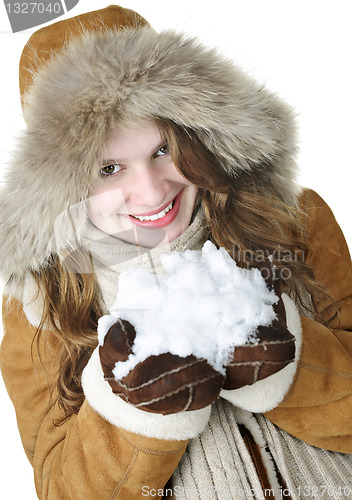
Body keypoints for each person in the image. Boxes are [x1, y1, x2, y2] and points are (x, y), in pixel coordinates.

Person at [0, 5, 351, 499]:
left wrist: (293, 368)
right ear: (61, 188)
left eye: (162, 150)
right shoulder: (40, 307)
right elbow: (61, 490)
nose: (150, 192)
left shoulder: (296, 221)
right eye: (109, 169)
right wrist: (134, 416)